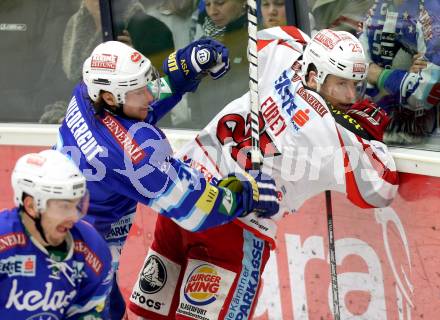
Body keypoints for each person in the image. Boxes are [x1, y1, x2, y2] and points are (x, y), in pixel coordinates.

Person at [129, 27, 398, 319]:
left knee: (150, 314)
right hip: (234, 225)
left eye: (355, 85)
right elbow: (380, 189)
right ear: (313, 76)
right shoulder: (332, 131)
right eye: (340, 84)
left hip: (184, 199)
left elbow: (272, 36)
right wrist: (368, 139)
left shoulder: (285, 54)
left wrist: (310, 58)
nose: (349, 96)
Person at [55, 39, 279, 319]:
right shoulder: (132, 155)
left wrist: (182, 73)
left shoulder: (86, 95)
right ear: (111, 97)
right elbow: (194, 209)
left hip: (67, 240)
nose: (149, 96)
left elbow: (135, 111)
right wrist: (245, 195)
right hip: (78, 264)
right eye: (140, 90)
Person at [0, 149, 113, 319]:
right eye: (64, 206)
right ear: (31, 206)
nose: (74, 217)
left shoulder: (92, 250)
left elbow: (89, 314)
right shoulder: (4, 241)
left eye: (77, 205)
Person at [359, 0, 440, 144]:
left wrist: (378, 75)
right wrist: (404, 78)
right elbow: (356, 65)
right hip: (370, 130)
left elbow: (427, 88)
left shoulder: (432, 9)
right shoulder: (376, 6)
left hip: (416, 140)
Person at [186, 0, 249, 128]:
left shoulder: (254, 37)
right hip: (209, 131)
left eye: (220, 3)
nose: (213, 12)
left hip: (246, 132)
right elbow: (194, 94)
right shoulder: (201, 43)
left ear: (242, 2)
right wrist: (199, 130)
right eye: (208, 5)